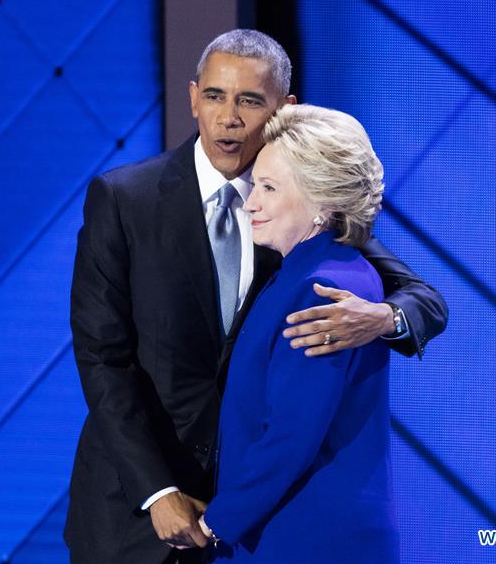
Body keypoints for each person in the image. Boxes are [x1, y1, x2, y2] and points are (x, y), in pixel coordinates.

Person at [65, 29, 446, 563]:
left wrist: (382, 318)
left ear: (283, 109)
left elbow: (421, 298)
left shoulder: (303, 208)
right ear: (193, 96)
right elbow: (103, 360)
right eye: (216, 96)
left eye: (250, 100)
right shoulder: (123, 199)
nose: (229, 117)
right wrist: (156, 490)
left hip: (254, 517)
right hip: (137, 508)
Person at [199, 104, 397, 563]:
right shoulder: (315, 272)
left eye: (269, 188)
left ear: (322, 203)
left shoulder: (320, 288)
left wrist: (215, 522)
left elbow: (291, 435)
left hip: (303, 538)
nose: (250, 202)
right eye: (256, 185)